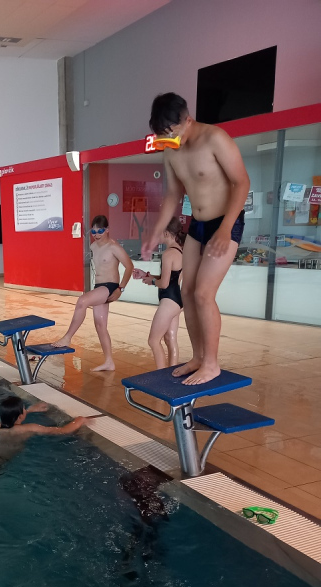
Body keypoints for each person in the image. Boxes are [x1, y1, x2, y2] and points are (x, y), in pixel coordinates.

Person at [142, 93, 250, 385]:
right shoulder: (170, 149)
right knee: (187, 293)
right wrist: (155, 233)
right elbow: (173, 194)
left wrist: (226, 229)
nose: (169, 139)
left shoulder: (215, 138)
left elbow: (242, 182)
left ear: (187, 120)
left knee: (203, 294)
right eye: (163, 134)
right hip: (197, 224)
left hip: (225, 222)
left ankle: (212, 364)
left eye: (172, 132)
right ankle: (199, 357)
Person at [53, 215, 134, 371]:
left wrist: (120, 289)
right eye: (94, 231)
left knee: (82, 301)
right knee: (100, 325)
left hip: (110, 286)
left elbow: (129, 266)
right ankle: (109, 362)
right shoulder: (93, 246)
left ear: (107, 230)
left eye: (100, 231)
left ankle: (67, 337)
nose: (96, 235)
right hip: (99, 286)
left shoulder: (114, 247)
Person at [133, 217, 185, 369]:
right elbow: (172, 279)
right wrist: (146, 275)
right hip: (177, 299)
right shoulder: (181, 250)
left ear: (166, 233)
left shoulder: (168, 253)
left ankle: (161, 375)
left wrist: (152, 282)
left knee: (153, 341)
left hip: (169, 300)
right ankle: (172, 374)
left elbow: (164, 283)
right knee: (170, 339)